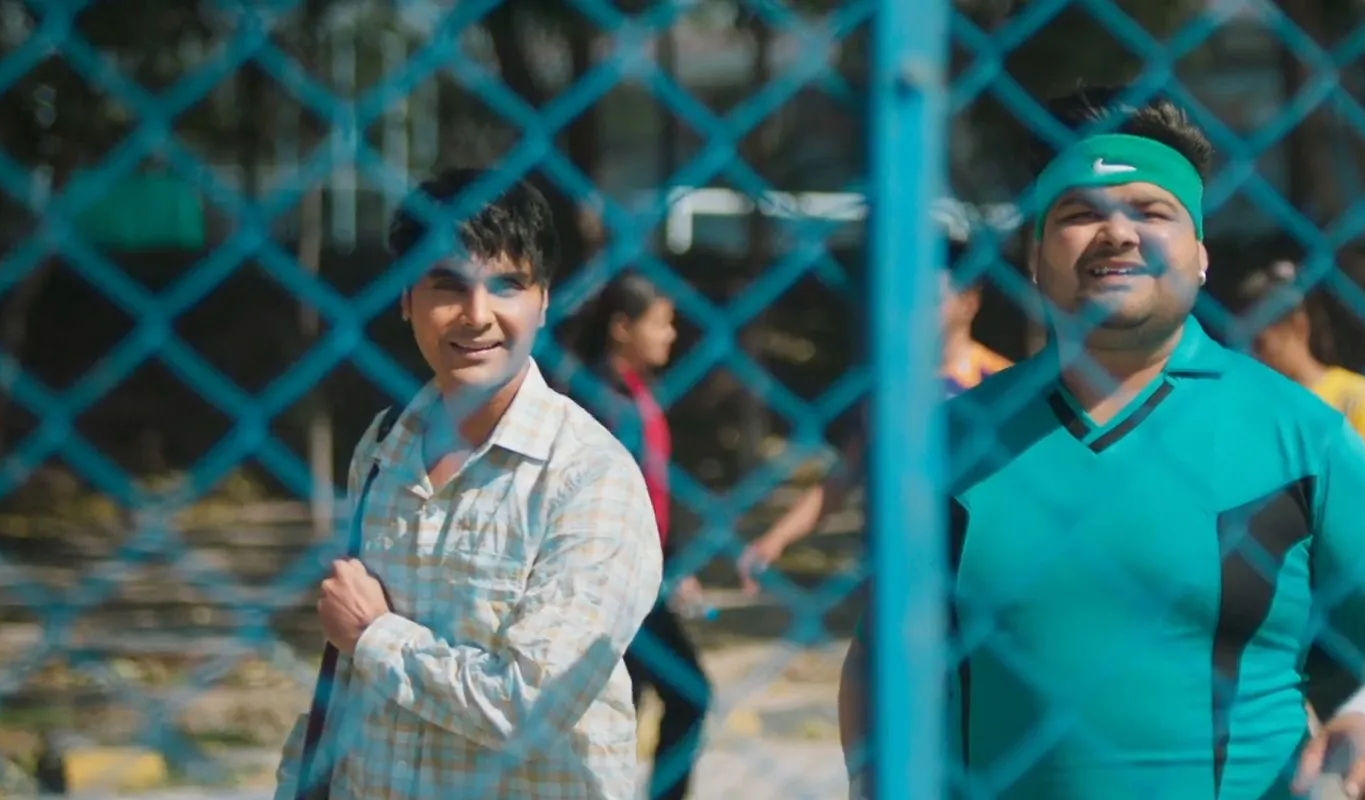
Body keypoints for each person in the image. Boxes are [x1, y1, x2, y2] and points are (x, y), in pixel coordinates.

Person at [839, 91, 1365, 800]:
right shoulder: (945, 443)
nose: (1117, 232)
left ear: (1200, 256)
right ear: (1036, 258)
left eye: (1151, 210)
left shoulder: (1299, 431)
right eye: (1079, 213)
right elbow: (876, 654)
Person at [271, 168, 663, 799]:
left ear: (543, 300)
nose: (477, 316)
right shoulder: (385, 445)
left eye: (506, 285)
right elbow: (344, 681)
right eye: (449, 286)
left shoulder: (589, 478)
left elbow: (532, 706)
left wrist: (375, 636)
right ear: (406, 298)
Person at [734, 252, 1012, 590]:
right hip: (897, 566)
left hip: (978, 567)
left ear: (968, 303)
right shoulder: (890, 388)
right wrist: (775, 539)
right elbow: (844, 474)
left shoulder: (1004, 382)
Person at [562, 272, 709, 800]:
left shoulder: (638, 391)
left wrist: (674, 565)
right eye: (660, 323)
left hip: (646, 576)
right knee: (686, 694)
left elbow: (651, 492)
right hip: (615, 580)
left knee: (636, 701)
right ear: (622, 328)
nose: (670, 335)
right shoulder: (601, 398)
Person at [1236, 261, 1365, 490]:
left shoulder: (1354, 398)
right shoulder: (1252, 406)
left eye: (1259, 343)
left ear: (1298, 326)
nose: (1253, 356)